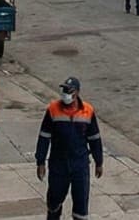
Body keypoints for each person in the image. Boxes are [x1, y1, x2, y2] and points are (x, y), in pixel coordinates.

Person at [36, 76, 105, 220]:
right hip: (58, 164)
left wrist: (99, 162)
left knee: (81, 203)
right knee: (54, 200)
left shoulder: (88, 111)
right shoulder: (53, 109)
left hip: (80, 164)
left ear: (77, 93)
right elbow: (44, 136)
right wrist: (40, 161)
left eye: (69, 91)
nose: (65, 93)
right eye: (64, 90)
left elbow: (94, 138)